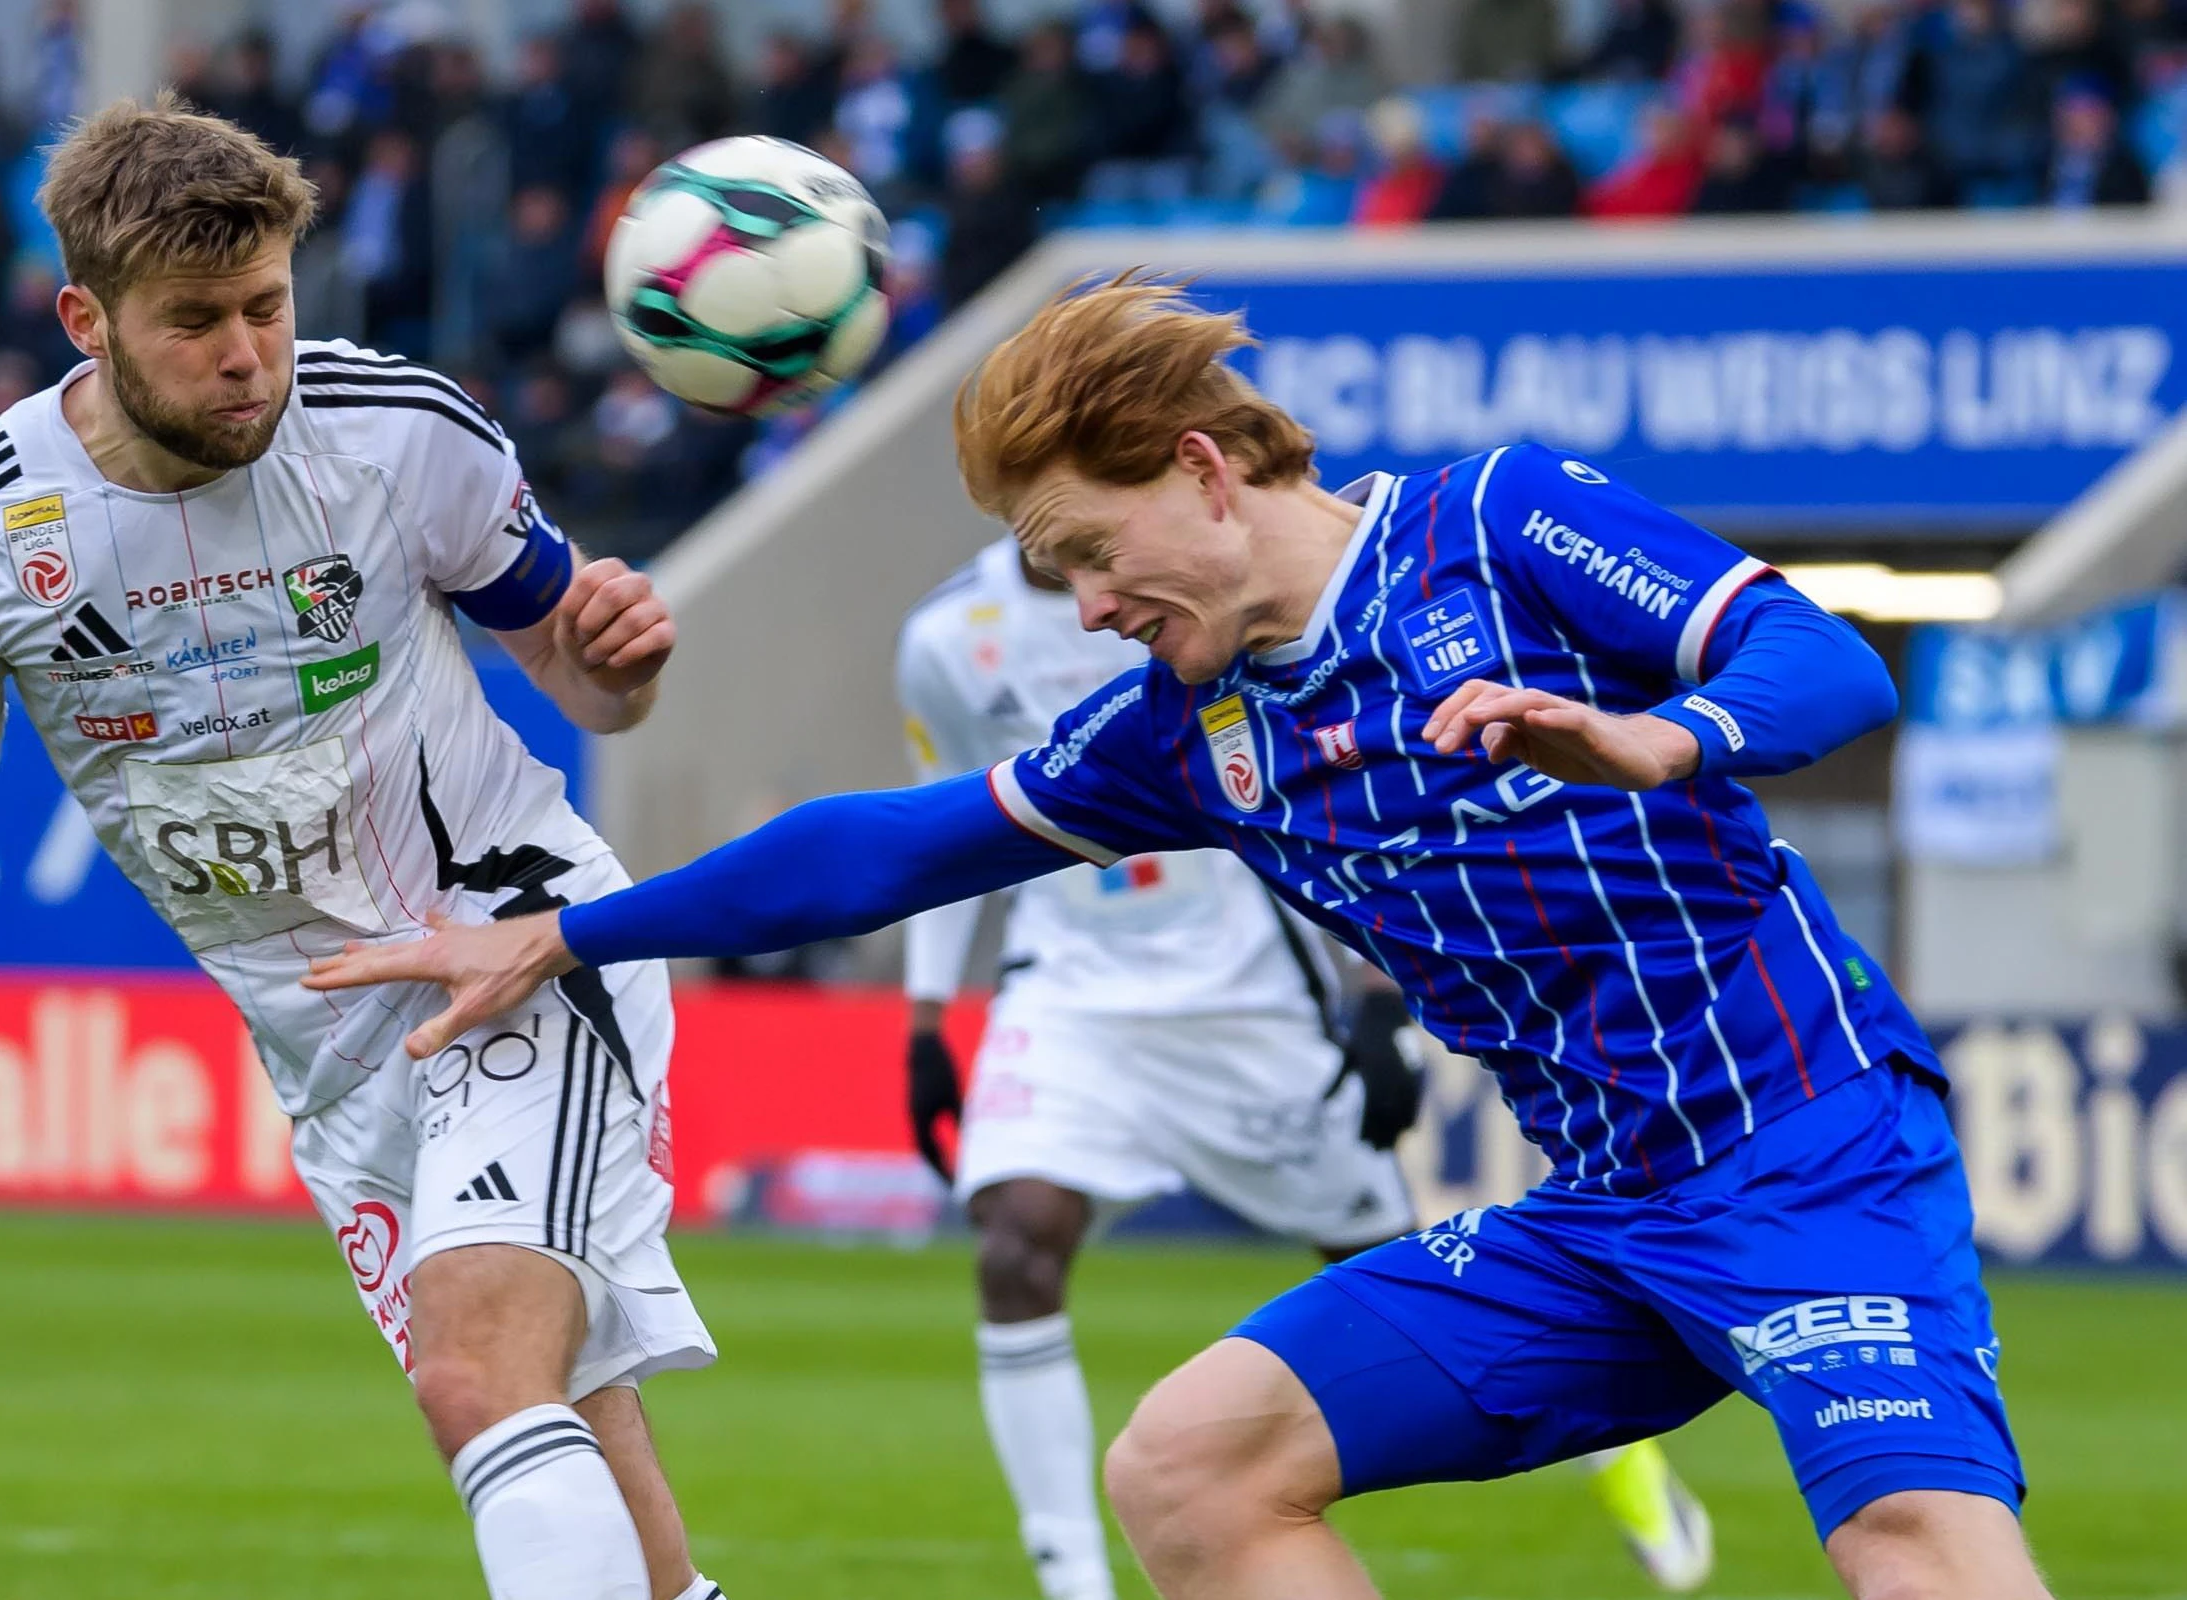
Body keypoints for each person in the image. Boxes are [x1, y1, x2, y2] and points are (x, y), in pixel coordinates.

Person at [307, 278, 2042, 1600]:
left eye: (1087, 551)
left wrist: (1665, 736)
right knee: (1193, 1470)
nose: (1085, 607)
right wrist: (569, 933)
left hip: (1805, 1152)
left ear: (1202, 471)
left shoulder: (1498, 526)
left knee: (1915, 1539)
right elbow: (885, 852)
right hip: (1599, 1218)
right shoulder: (1185, 731)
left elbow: (1826, 664)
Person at [0, 99, 729, 1600]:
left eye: (268, 307)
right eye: (196, 322)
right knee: (575, 1444)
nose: (248, 355)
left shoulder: (395, 430)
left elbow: (580, 674)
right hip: (333, 1053)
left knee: (478, 1379)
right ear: (84, 320)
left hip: (514, 941)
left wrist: (616, 656)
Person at [897, 536, 1715, 1599]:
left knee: (1407, 1267)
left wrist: (1380, 1008)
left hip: (1252, 1004)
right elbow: (947, 826)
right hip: (1070, 998)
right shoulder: (946, 640)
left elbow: (1324, 798)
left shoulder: (1199, 593)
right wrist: (925, 1022)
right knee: (1014, 1243)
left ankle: (1621, 1459)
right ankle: (1073, 1582)